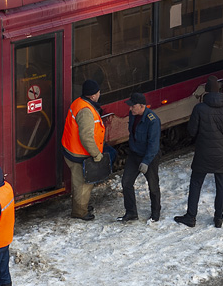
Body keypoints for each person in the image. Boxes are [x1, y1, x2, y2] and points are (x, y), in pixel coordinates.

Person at [175, 76, 223, 229]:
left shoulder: (199, 108)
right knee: (221, 186)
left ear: (206, 91)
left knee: (196, 184)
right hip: (222, 154)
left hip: (203, 153)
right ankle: (218, 218)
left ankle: (191, 217)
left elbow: (191, 131)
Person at [61, 79, 114, 221]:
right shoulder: (86, 111)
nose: (99, 94)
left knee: (78, 183)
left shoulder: (78, 102)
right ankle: (80, 212)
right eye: (98, 92)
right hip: (79, 154)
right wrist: (96, 154)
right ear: (93, 96)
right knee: (83, 185)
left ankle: (80, 207)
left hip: (71, 150)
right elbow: (86, 137)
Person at [118, 92, 161, 222]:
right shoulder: (133, 115)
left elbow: (153, 144)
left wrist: (146, 162)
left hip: (149, 157)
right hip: (134, 154)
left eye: (133, 106)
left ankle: (155, 213)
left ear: (142, 106)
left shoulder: (152, 121)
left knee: (153, 186)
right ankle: (131, 212)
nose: (130, 108)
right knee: (126, 182)